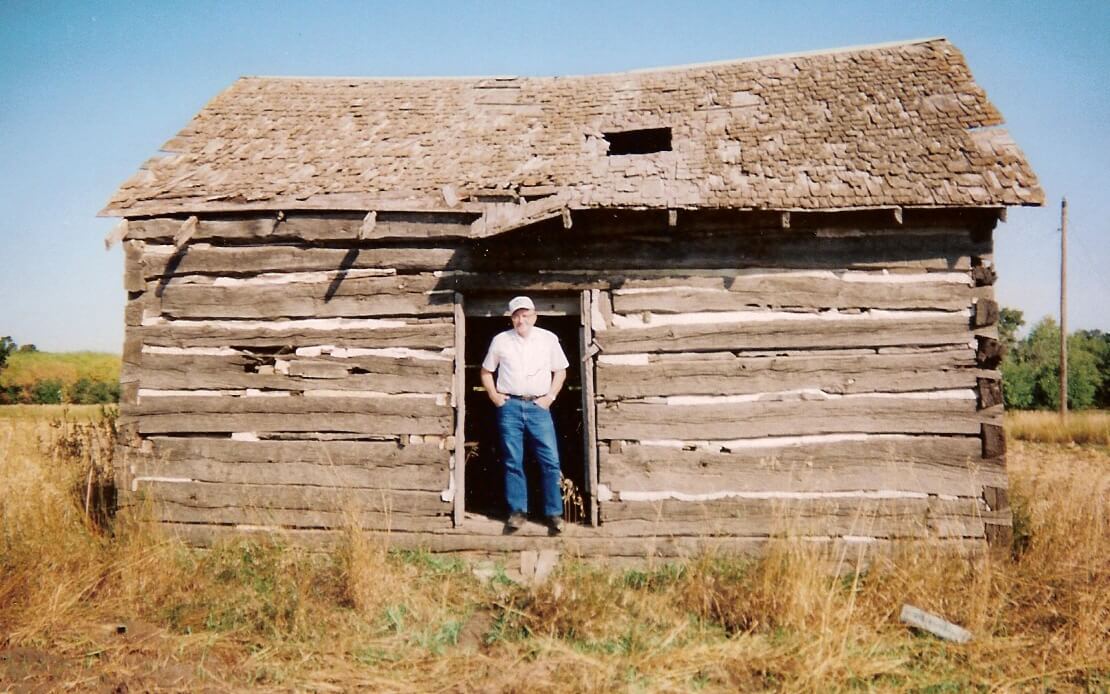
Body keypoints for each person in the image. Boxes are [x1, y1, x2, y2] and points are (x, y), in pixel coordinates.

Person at [480, 296, 570, 534]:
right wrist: (494, 396)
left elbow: (560, 371)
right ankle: (517, 512)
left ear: (535, 316)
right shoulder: (501, 341)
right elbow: (486, 371)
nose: (522, 320)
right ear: (511, 318)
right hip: (510, 407)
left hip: (539, 408)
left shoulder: (548, 339)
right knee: (513, 460)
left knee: (550, 461)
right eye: (517, 316)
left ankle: (554, 514)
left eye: (526, 315)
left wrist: (549, 397)